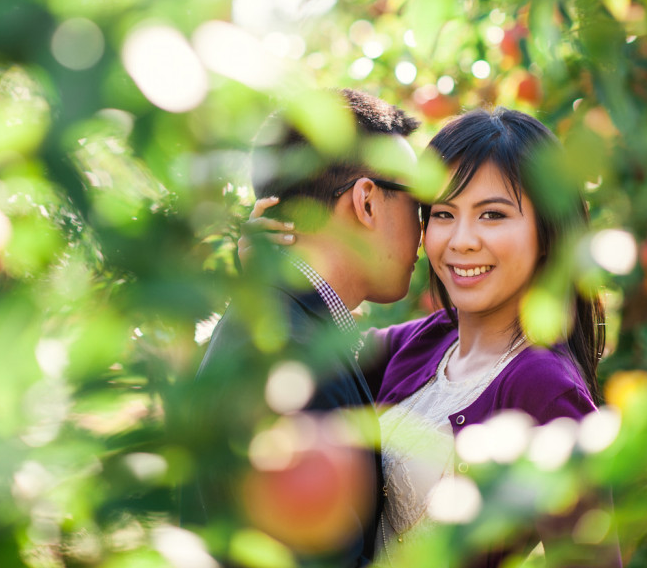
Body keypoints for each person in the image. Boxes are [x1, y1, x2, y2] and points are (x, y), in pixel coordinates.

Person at [249, 108, 621, 566]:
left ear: (546, 231)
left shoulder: (545, 388)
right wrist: (270, 282)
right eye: (444, 214)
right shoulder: (425, 342)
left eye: (492, 215)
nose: (461, 240)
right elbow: (312, 356)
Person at [177, 88, 422, 568]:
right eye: (419, 202)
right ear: (367, 202)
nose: (428, 230)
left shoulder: (277, 325)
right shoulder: (291, 366)